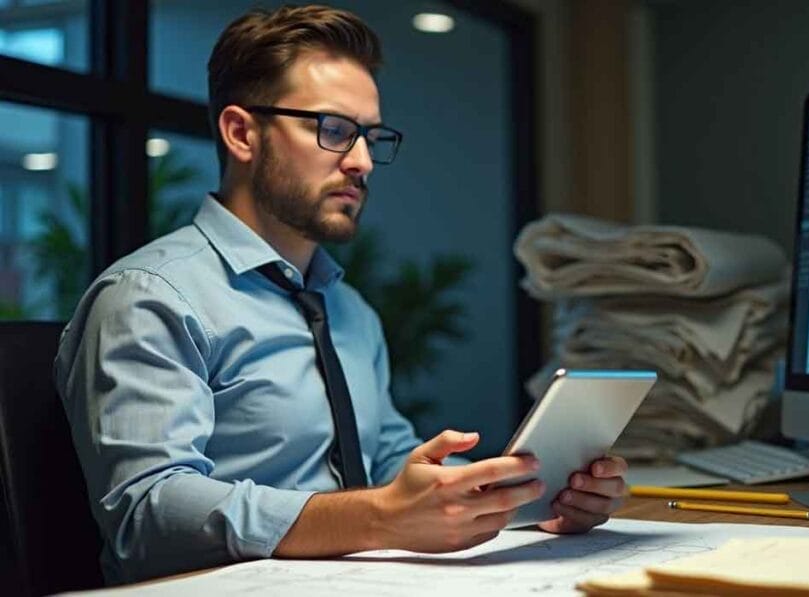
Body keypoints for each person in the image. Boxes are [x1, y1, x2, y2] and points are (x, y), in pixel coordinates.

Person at [54, 5, 629, 585]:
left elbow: (386, 458)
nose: (360, 162)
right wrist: (377, 517)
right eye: (333, 129)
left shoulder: (347, 309)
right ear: (241, 133)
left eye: (369, 136)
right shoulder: (150, 298)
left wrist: (523, 495)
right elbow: (146, 513)